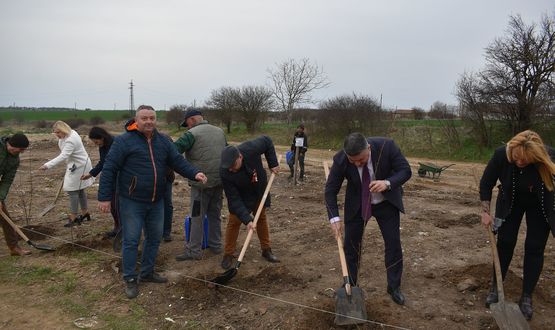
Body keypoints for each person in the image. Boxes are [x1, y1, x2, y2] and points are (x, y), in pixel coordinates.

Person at [97, 105, 207, 299]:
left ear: (156, 120)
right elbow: (109, 168)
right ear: (136, 120)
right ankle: (130, 278)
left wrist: (194, 172)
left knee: (154, 238)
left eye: (152, 118)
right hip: (132, 201)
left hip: (157, 199)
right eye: (144, 118)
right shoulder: (123, 141)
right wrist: (104, 197)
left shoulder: (162, 140)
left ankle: (147, 273)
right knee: (131, 240)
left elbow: (176, 161)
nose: (149, 122)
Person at [324, 132, 412, 305]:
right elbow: (330, 190)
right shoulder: (341, 159)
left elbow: (405, 171)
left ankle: (394, 286)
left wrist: (387, 183)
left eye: (361, 160)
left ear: (369, 149)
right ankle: (350, 283)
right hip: (357, 203)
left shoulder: (387, 147)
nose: (357, 164)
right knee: (351, 245)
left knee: (393, 243)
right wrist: (334, 218)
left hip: (386, 202)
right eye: (353, 161)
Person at [480, 130, 555, 320]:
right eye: (517, 158)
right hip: (510, 202)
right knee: (505, 242)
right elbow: (486, 182)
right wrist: (486, 212)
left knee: (535, 247)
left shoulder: (548, 156)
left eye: (526, 160)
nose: (520, 162)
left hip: (540, 204)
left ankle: (527, 296)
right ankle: (496, 288)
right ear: (511, 150)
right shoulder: (501, 155)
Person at [219, 136, 280, 270]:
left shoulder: (250, 149)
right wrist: (247, 220)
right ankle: (228, 254)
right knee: (234, 221)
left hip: (258, 189)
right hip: (241, 196)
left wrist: (273, 163)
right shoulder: (224, 171)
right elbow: (233, 199)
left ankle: (266, 250)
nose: (231, 170)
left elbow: (268, 141)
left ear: (240, 157)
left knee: (261, 218)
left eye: (233, 166)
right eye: (228, 167)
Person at [174, 108, 227, 260]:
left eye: (187, 124)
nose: (188, 127)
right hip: (219, 182)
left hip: (200, 186)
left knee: (196, 217)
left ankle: (194, 251)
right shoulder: (220, 131)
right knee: (215, 215)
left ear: (191, 120)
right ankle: (216, 246)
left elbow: (173, 152)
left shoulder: (191, 134)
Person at [39, 121, 95, 227]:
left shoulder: (70, 140)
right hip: (78, 164)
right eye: (55, 132)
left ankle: (73, 217)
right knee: (80, 189)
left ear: (64, 130)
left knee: (72, 190)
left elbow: (63, 155)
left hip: (79, 166)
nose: (57, 135)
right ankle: (85, 212)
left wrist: (47, 165)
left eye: (58, 132)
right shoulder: (71, 133)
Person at [80, 127, 119, 237]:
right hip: (110, 177)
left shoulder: (116, 143)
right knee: (114, 206)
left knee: (118, 205)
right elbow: (103, 162)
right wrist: (91, 174)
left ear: (102, 137)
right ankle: (117, 227)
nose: (96, 144)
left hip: (120, 177)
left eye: (96, 141)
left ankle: (122, 229)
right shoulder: (103, 146)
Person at [0, 133, 31, 256]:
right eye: (21, 149)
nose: (21, 152)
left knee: (4, 217)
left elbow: (7, 180)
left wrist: (0, 198)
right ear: (11, 145)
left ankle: (14, 247)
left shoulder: (15, 160)